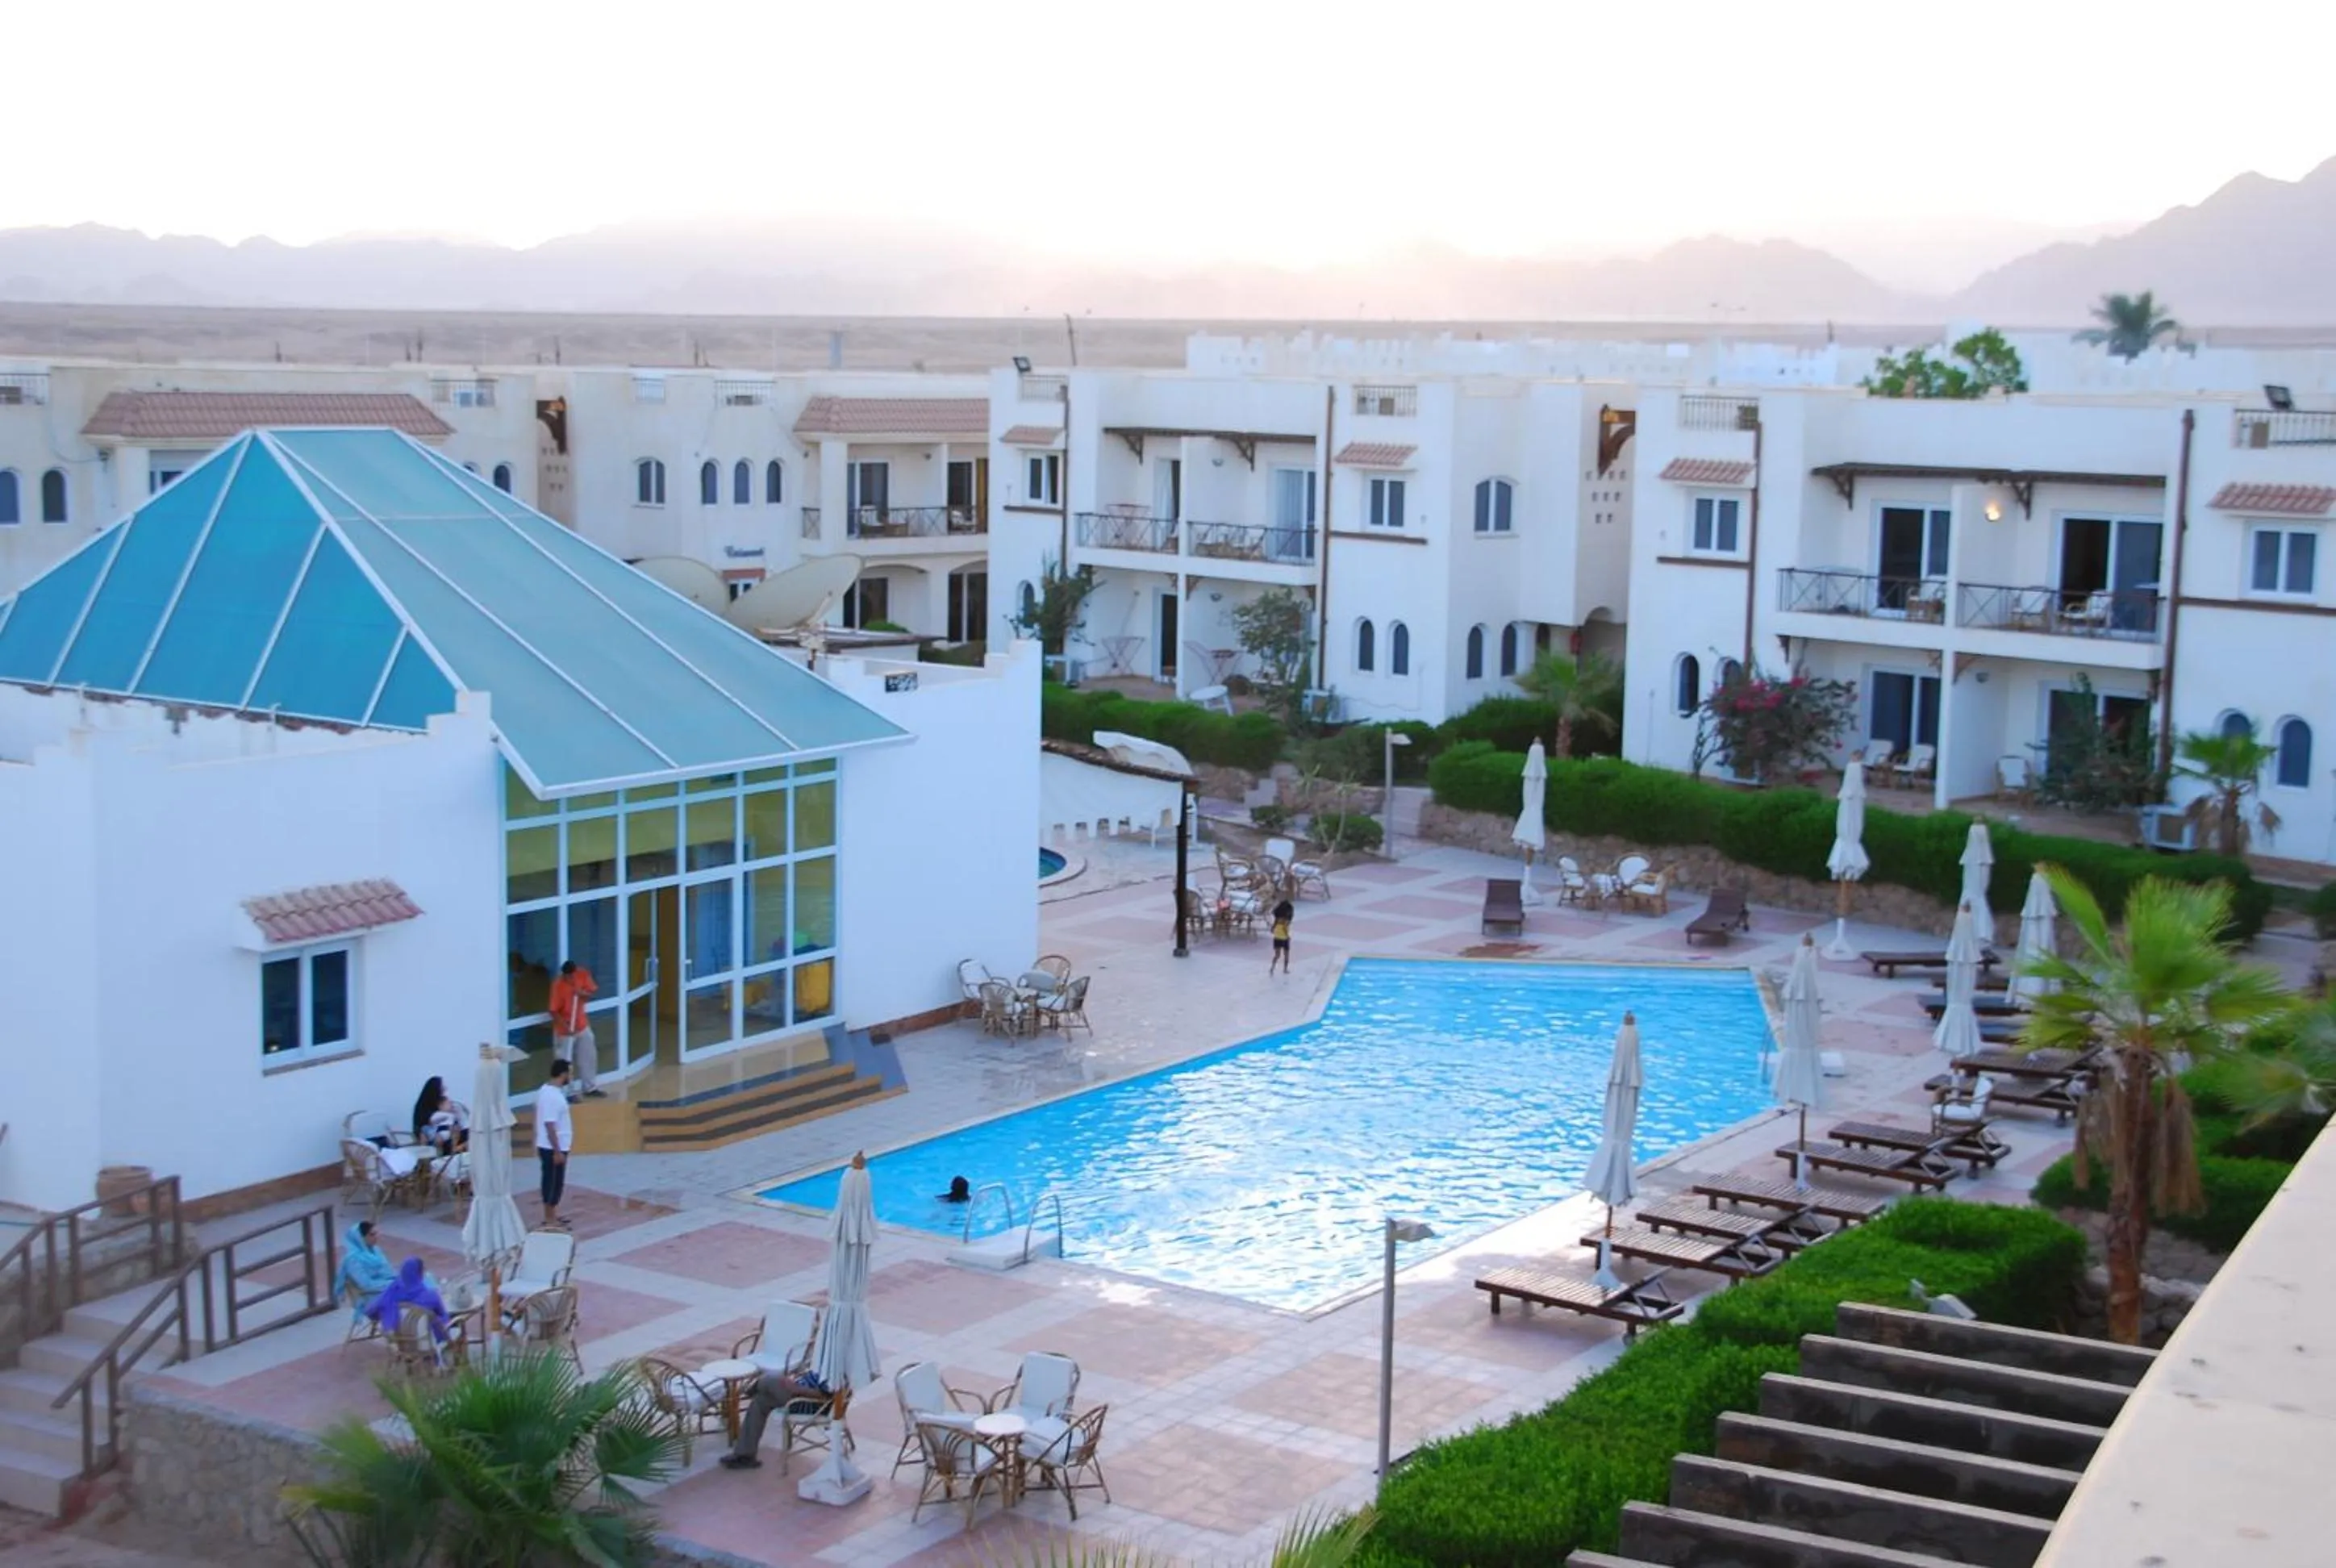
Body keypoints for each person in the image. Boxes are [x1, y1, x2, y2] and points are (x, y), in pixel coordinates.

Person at [717, 1366, 836, 1470]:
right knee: (759, 1402)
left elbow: (827, 1395)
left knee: (771, 1379)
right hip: (797, 1391)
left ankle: (747, 1391)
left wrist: (797, 1389)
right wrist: (794, 1382)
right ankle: (745, 1455)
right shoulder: (826, 1356)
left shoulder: (836, 1369)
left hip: (805, 1403)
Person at [368, 1257, 451, 1353]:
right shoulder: (430, 1296)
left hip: (401, 1343)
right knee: (449, 1323)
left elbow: (372, 1310)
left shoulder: (392, 1293)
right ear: (420, 1274)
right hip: (427, 1341)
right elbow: (442, 1315)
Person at [549, 961, 604, 1099]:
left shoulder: (582, 974)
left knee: (588, 1056)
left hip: (581, 1025)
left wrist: (581, 993)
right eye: (567, 977)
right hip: (565, 1030)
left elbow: (591, 993)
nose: (570, 979)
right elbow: (553, 1011)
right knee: (564, 1061)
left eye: (572, 976)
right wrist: (567, 1028)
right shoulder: (558, 985)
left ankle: (590, 1087)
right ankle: (567, 1091)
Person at [535, 1058, 574, 1230]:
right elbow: (549, 1124)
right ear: (563, 1074)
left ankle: (553, 1213)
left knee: (557, 1181)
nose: (571, 1077)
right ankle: (549, 1218)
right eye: (570, 1073)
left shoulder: (548, 1092)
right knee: (552, 1181)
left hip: (556, 1145)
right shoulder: (551, 1096)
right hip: (552, 1147)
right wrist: (557, 1151)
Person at [332, 1220, 398, 1313]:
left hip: (384, 1288)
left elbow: (388, 1272)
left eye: (376, 1234)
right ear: (360, 1238)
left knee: (419, 1286)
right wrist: (392, 1285)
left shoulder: (375, 1251)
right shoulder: (352, 1260)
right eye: (372, 1235)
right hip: (370, 1296)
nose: (376, 1237)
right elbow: (366, 1285)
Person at [1268, 898, 1295, 975]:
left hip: (1277, 937)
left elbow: (1273, 928)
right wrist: (1288, 936)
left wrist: (1273, 930)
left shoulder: (1277, 919)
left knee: (1277, 955)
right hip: (1284, 938)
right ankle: (1285, 969)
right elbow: (1285, 928)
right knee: (1286, 954)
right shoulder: (1286, 920)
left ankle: (1272, 968)